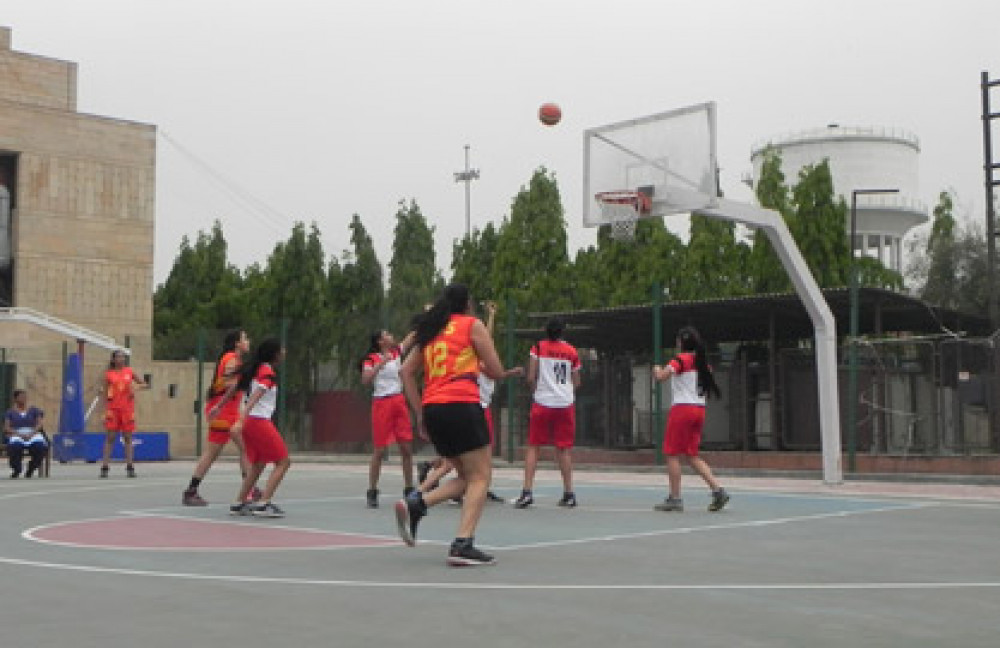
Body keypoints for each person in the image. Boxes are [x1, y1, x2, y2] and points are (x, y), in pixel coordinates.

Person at [395, 283, 510, 566]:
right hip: (461, 404)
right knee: (481, 477)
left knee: (467, 477)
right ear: (467, 304)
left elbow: (405, 372)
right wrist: (480, 363)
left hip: (434, 408)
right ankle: (462, 544)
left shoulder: (432, 330)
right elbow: (497, 371)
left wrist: (419, 413)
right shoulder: (472, 326)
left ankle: (418, 503)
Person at [651, 326, 729, 513]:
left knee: (671, 453)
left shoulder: (680, 360)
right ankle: (718, 490)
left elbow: (661, 377)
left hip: (682, 409)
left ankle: (675, 498)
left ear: (681, 342)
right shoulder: (704, 364)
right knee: (692, 454)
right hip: (699, 409)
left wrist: (656, 369)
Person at [182, 329, 259, 506]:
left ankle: (192, 490)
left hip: (226, 412)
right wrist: (219, 406)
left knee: (232, 451)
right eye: (245, 338)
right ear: (237, 343)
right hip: (223, 413)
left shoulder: (231, 359)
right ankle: (248, 490)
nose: (248, 341)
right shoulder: (231, 359)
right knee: (238, 450)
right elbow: (231, 386)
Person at [513, 317, 581, 509]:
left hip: (543, 402)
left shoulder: (538, 348)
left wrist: (536, 390)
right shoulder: (571, 351)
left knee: (534, 446)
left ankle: (527, 492)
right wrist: (565, 392)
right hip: (565, 403)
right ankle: (569, 493)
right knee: (563, 449)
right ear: (562, 331)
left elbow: (530, 377)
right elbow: (577, 381)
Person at [228, 338, 291, 518]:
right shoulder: (267, 372)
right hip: (258, 421)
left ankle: (239, 502)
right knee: (283, 462)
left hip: (251, 421)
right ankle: (264, 503)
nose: (284, 352)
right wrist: (242, 417)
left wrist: (223, 408)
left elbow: (236, 388)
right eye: (282, 349)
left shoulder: (255, 370)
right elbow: (257, 395)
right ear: (275, 354)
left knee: (258, 463)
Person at [360, 328, 417, 508]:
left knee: (406, 448)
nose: (391, 336)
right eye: (387, 335)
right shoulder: (371, 358)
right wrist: (380, 364)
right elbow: (365, 380)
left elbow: (411, 337)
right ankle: (372, 490)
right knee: (380, 450)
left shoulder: (397, 352)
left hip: (398, 401)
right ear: (380, 341)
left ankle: (409, 488)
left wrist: (428, 318)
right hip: (381, 404)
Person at [100, 349, 148, 478]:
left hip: (127, 409)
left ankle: (130, 466)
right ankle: (105, 466)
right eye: (118, 357)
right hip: (113, 409)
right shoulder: (109, 374)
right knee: (110, 437)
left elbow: (144, 384)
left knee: (128, 437)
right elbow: (105, 393)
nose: (121, 359)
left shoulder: (129, 371)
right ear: (113, 359)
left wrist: (136, 387)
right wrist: (104, 411)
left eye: (123, 357)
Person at [4, 389, 47, 478]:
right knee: (15, 447)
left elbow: (39, 424)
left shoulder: (34, 410)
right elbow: (7, 427)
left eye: (25, 397)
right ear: (15, 399)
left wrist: (32, 433)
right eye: (21, 397)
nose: (24, 399)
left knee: (40, 447)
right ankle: (17, 469)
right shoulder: (10, 412)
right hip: (17, 434)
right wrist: (19, 434)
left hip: (33, 433)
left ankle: (31, 467)